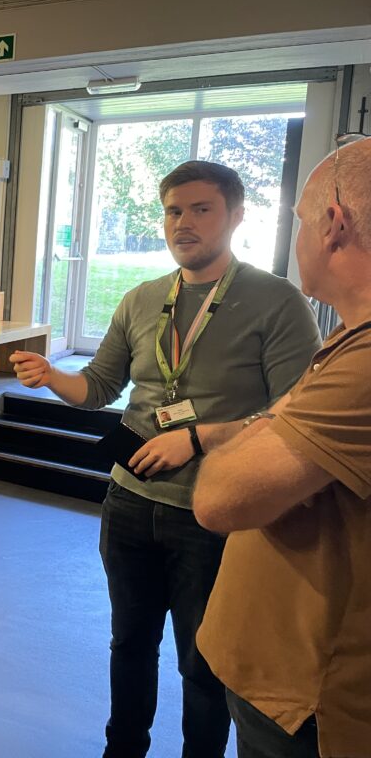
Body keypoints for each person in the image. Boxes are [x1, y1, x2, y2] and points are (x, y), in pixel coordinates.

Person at [11, 161, 320, 757]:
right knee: (128, 644)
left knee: (204, 664)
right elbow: (99, 386)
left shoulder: (275, 301)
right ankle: (122, 748)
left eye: (201, 209)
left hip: (213, 513)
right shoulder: (143, 298)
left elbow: (294, 414)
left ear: (235, 216)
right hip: (129, 502)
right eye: (174, 211)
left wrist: (200, 438)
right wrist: (52, 376)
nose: (184, 223)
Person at [194, 136, 371, 758]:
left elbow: (221, 498)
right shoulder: (350, 341)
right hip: (284, 682)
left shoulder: (365, 362)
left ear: (334, 225)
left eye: (299, 221)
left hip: (310, 702)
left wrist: (234, 435)